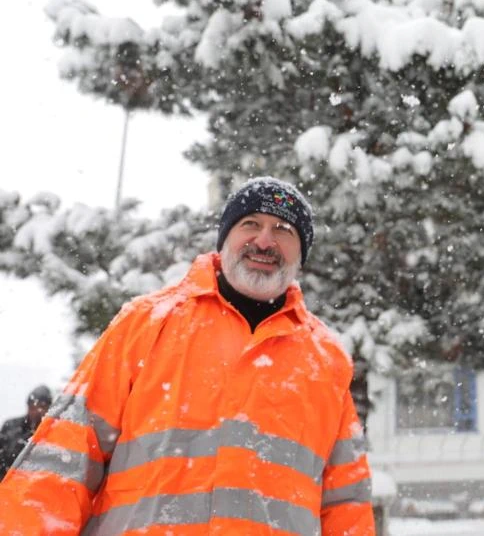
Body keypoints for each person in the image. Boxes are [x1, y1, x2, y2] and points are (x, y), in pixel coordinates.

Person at [0, 177, 375, 535]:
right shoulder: (145, 324)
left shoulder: (326, 359)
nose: (264, 240)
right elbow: (63, 462)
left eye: (284, 230)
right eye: (251, 223)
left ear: (301, 253)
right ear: (224, 238)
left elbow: (346, 502)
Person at [0, 385, 52, 478]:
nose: (37, 411)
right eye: (33, 407)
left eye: (42, 407)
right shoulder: (10, 426)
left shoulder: (52, 432)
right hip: (6, 483)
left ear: (49, 409)